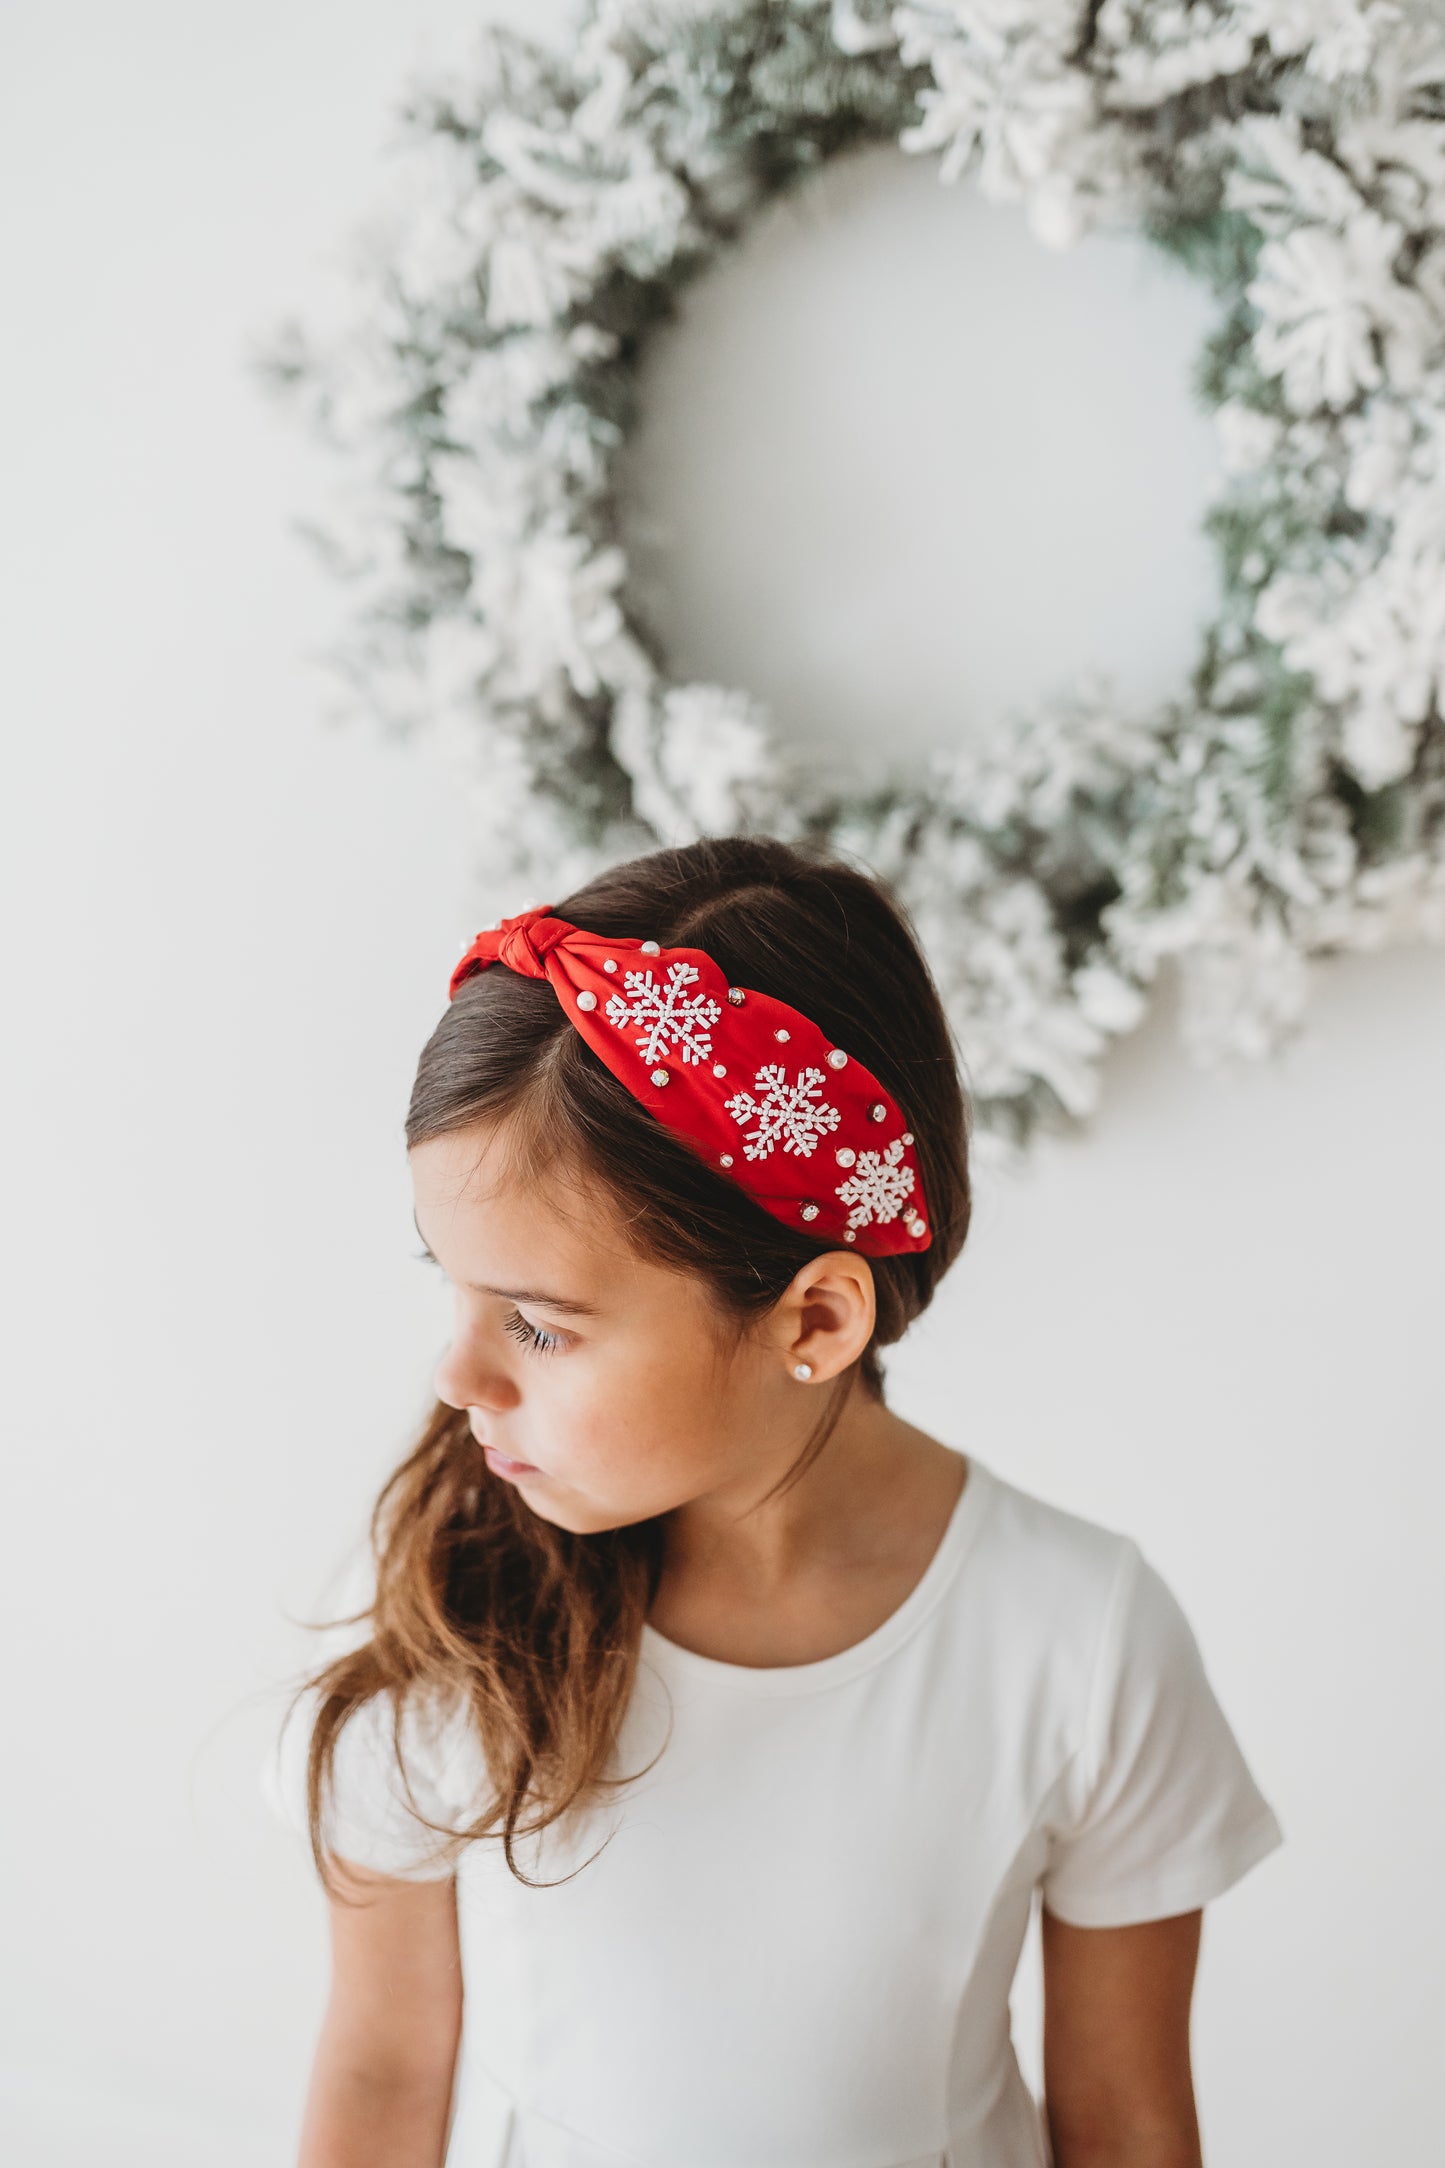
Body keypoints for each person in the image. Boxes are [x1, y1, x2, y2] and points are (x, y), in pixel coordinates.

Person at [264, 834, 1285, 2168]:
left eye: (540, 1327)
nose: (457, 1377)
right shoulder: (446, 1593)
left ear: (813, 1314)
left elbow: (1128, 2120)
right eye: (450, 1287)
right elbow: (385, 2062)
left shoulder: (1077, 1639)